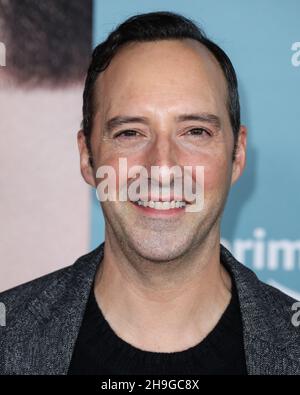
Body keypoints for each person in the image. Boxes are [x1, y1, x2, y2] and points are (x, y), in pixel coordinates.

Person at [0, 11, 299, 375]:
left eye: (195, 132)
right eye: (130, 133)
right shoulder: (8, 337)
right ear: (86, 157)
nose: (161, 167)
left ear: (237, 155)